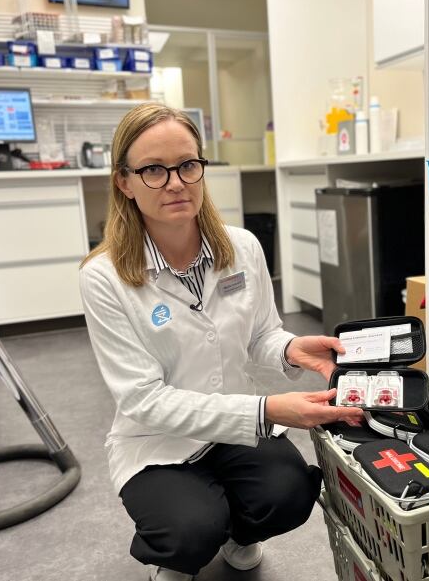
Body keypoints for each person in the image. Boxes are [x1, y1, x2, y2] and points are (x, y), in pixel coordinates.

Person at [79, 103, 363, 581]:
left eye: (187, 165)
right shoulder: (104, 277)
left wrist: (289, 349)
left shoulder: (242, 247)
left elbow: (261, 334)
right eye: (153, 169)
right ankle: (181, 552)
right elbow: (142, 399)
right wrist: (267, 411)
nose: (176, 182)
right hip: (158, 441)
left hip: (235, 424)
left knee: (291, 494)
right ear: (123, 182)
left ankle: (240, 533)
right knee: (188, 531)